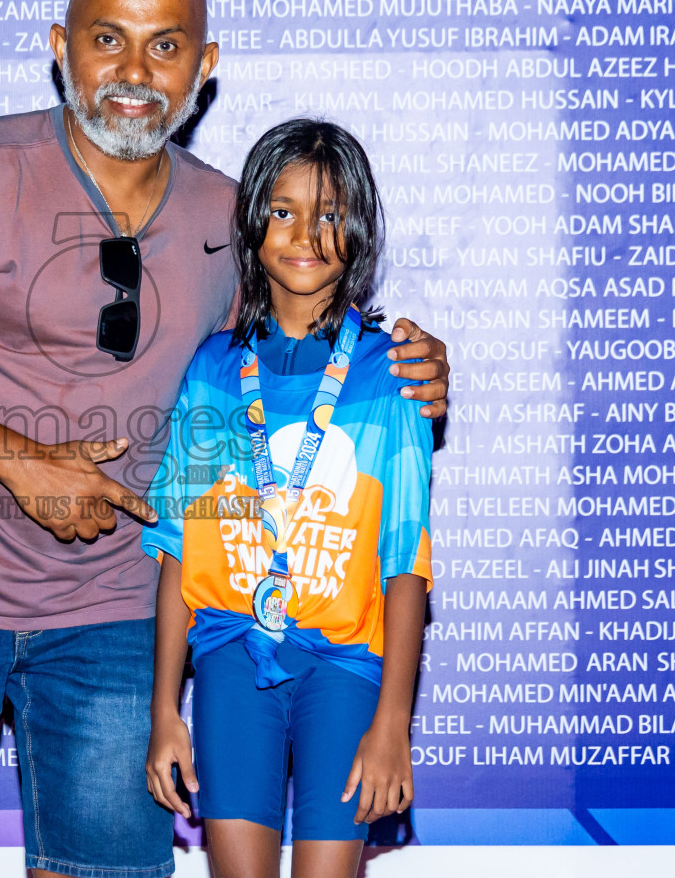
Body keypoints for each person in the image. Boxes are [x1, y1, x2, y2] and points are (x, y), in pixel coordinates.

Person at [0, 0, 448, 878]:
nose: (135, 75)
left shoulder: (237, 222)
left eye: (165, 46)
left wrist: (416, 362)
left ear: (205, 65)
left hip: (117, 623)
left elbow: (301, 362)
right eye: (108, 40)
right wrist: (20, 461)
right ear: (62, 47)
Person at [141, 119, 432, 878]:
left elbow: (405, 564)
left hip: (345, 670)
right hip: (232, 655)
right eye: (283, 211)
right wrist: (163, 711)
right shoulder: (211, 372)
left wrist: (393, 722)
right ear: (252, 226)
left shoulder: (388, 375)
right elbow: (178, 547)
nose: (307, 233)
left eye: (331, 214)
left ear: (359, 230)